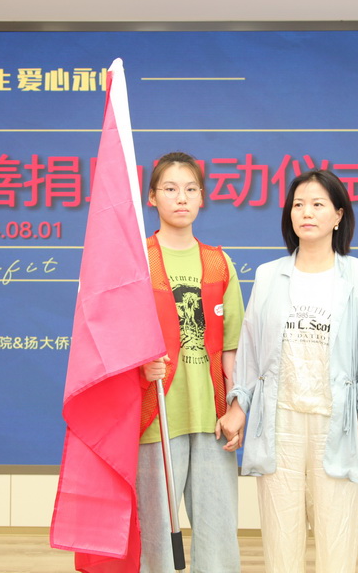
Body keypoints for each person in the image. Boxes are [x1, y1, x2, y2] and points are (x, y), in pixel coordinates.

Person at [224, 169, 358, 573]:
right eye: (298, 204)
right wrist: (238, 406)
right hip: (279, 421)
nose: (306, 212)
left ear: (338, 215)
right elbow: (250, 347)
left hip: (336, 423)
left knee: (337, 536)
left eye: (318, 204)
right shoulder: (268, 275)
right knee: (280, 537)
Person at [137, 151, 245, 573]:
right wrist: (140, 364)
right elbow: (114, 338)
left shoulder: (219, 262)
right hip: (155, 418)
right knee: (156, 537)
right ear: (152, 197)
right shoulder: (137, 260)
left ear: (202, 197)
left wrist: (236, 408)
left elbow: (234, 349)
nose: (181, 198)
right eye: (170, 188)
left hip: (211, 418)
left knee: (218, 534)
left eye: (190, 189)